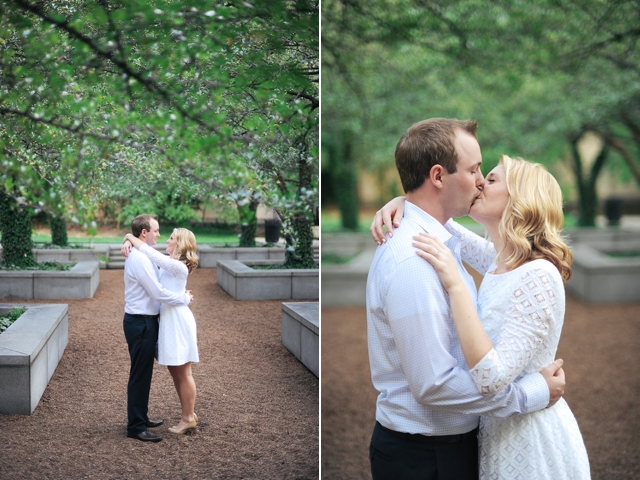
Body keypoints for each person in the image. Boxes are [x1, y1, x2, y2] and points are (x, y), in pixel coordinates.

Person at [365, 118, 566, 480]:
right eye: (476, 171)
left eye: (488, 177)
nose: (478, 182)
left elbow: (491, 255)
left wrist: (408, 202)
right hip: (425, 457)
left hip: (482, 444)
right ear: (439, 176)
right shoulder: (417, 259)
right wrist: (530, 393)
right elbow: (434, 384)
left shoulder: (459, 247)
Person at [122, 215, 194, 443]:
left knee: (148, 373)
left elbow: (160, 263)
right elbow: (158, 293)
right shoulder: (141, 259)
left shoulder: (155, 258)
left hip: (154, 321)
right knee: (140, 374)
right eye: (157, 230)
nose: (160, 235)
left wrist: (129, 239)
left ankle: (143, 418)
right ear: (144, 233)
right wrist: (183, 298)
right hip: (141, 321)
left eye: (168, 235)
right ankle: (136, 425)